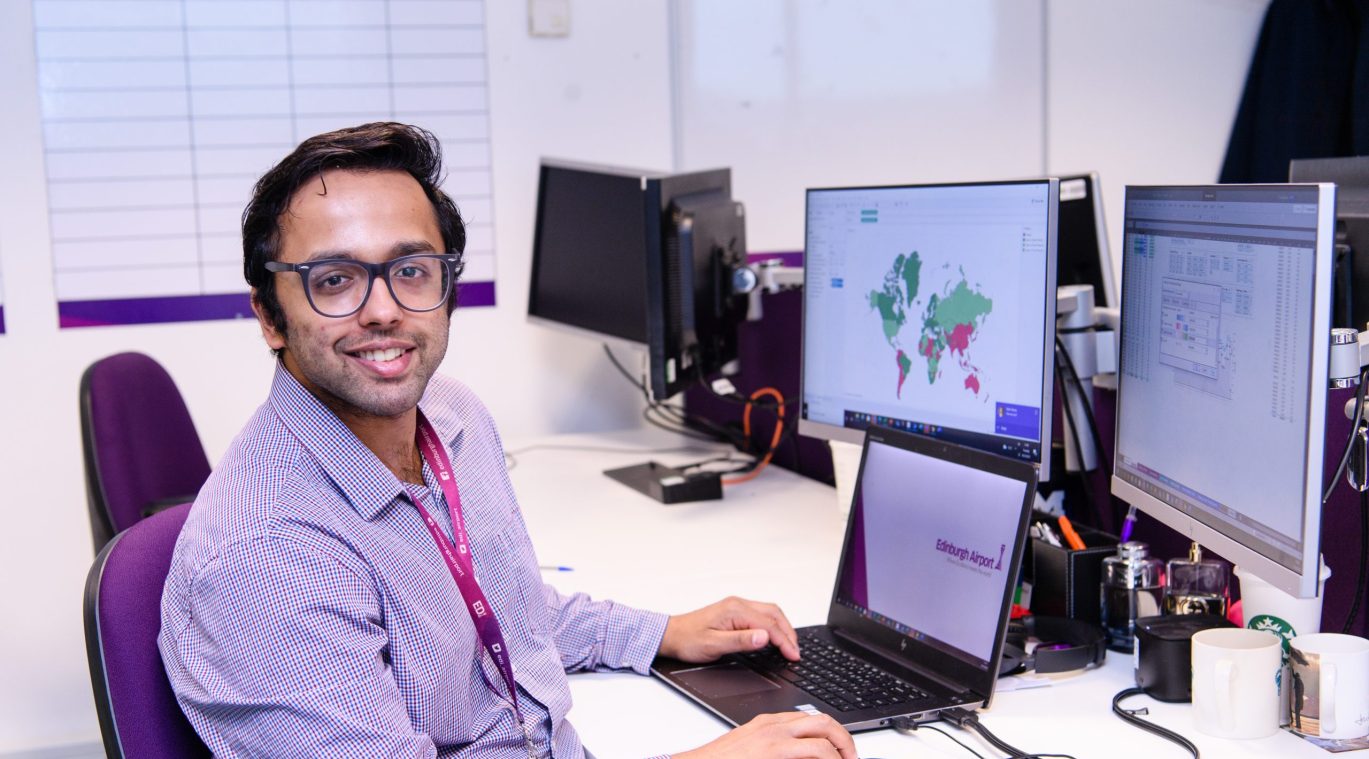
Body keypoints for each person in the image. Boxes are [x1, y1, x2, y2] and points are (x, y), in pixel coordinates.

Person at [158, 122, 856, 759]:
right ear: (270, 316)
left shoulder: (450, 415)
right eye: (334, 280)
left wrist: (659, 632)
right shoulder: (267, 558)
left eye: (410, 269)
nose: (383, 310)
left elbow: (491, 607)